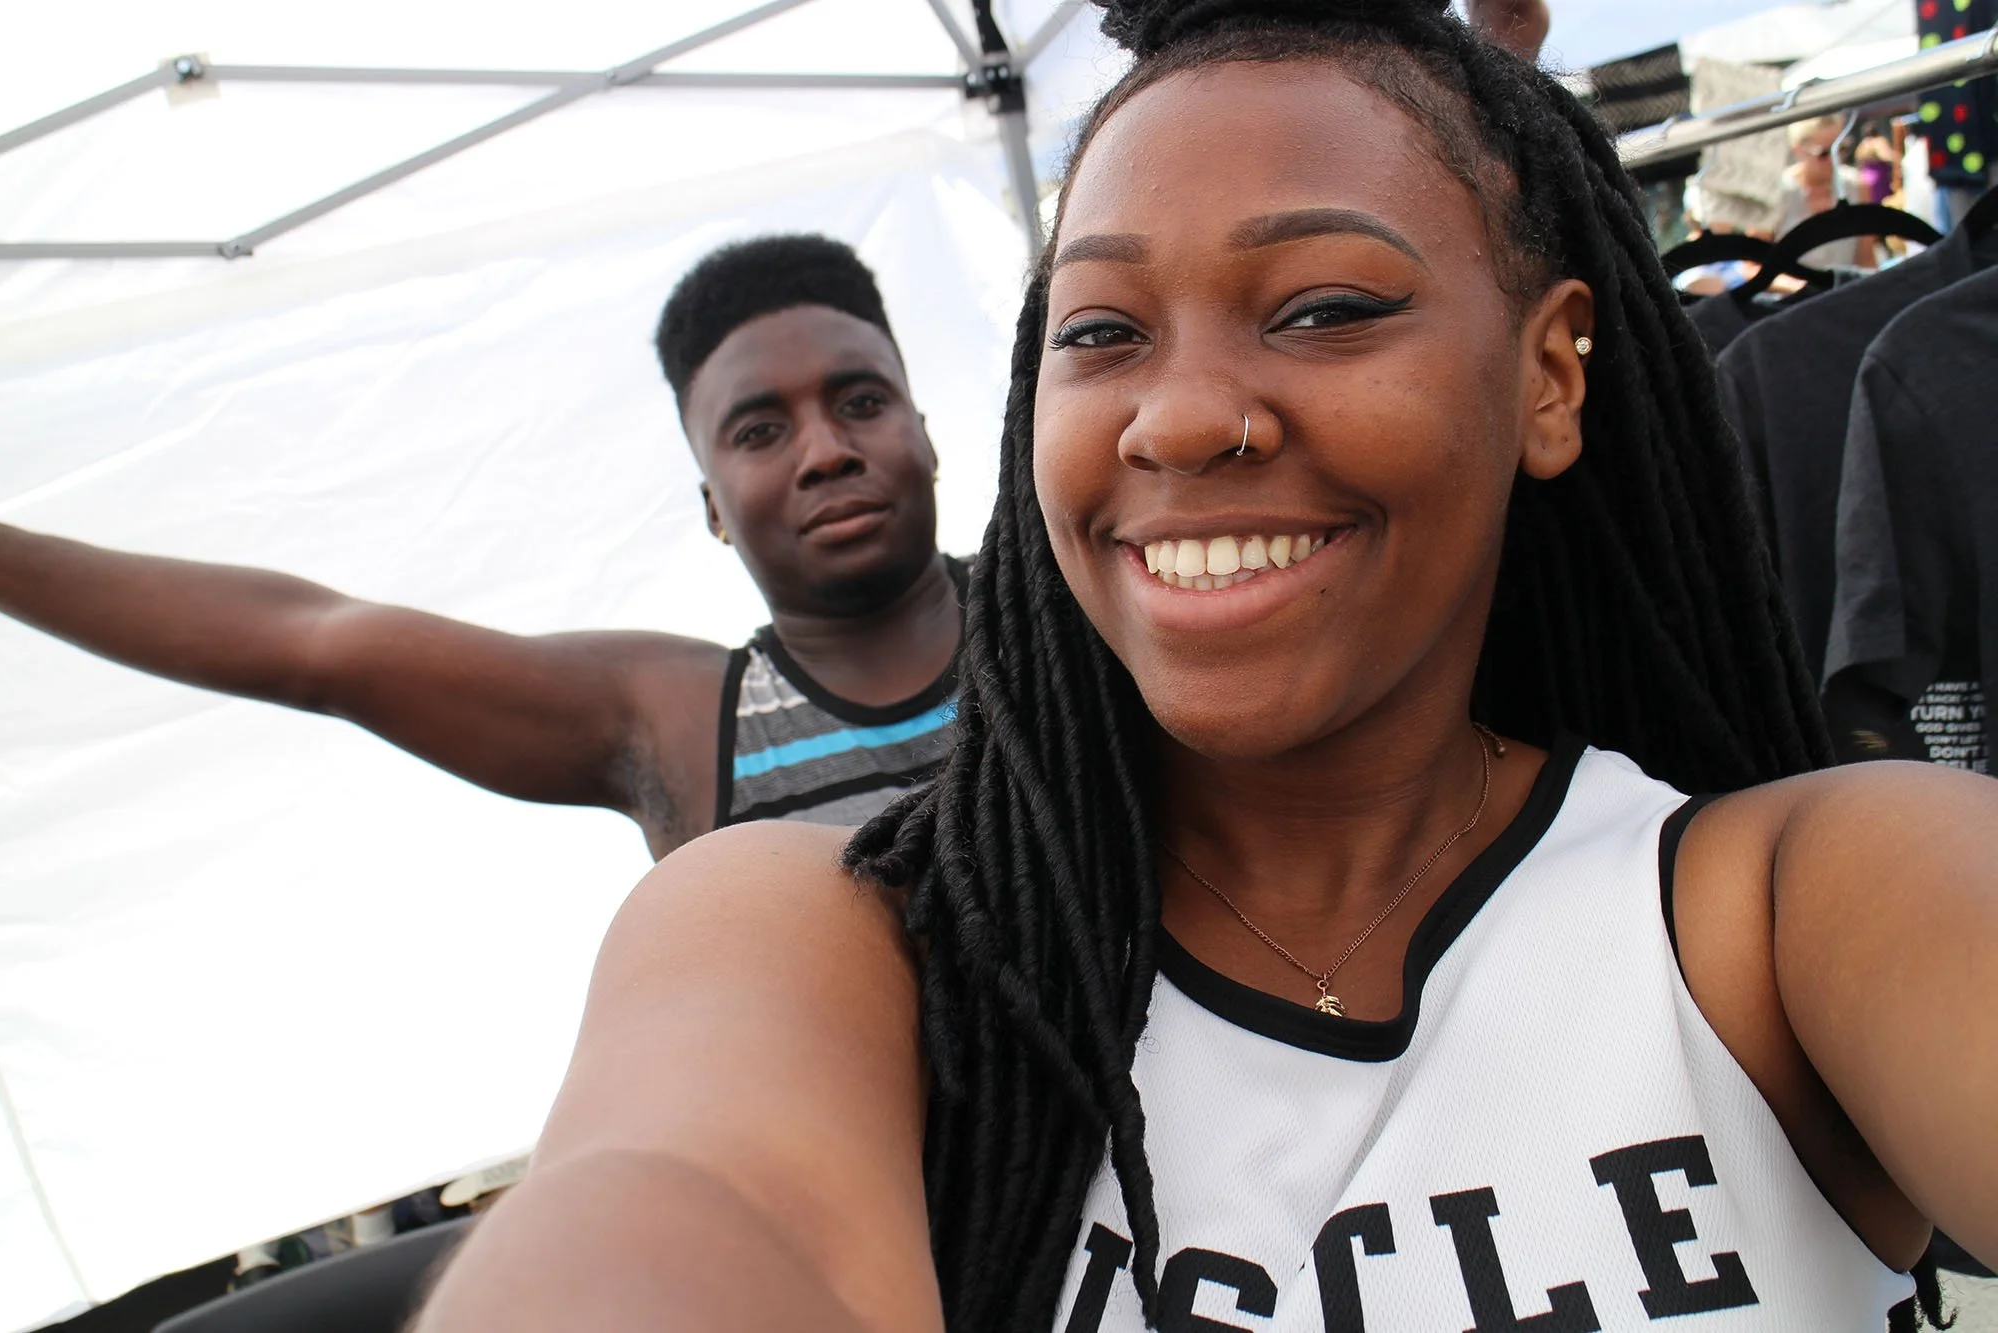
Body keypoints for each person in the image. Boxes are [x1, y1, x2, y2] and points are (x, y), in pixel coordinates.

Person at [412, 1, 1998, 1330]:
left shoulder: (1790, 908)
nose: (1179, 418)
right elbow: (693, 1205)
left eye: (1321, 307)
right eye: (1101, 334)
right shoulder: (836, 952)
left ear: (1550, 373)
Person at [0, 235, 965, 859]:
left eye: (861, 403)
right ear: (712, 504)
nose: (826, 452)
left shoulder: (1074, 606)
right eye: (760, 432)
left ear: (923, 431)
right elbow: (314, 641)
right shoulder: (672, 721)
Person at [1777, 115, 1877, 272]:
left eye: (1841, 149)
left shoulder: (1856, 186)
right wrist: (1803, 288)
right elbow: (1752, 266)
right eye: (1824, 153)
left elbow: (1866, 259)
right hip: (1792, 295)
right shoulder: (1778, 192)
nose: (1835, 159)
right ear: (1798, 151)